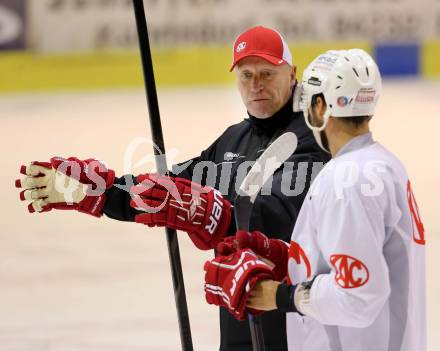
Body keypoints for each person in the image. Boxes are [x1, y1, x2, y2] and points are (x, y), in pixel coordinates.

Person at [15, 26, 329, 350]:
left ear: (292, 74)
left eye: (266, 73)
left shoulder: (315, 137)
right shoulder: (234, 139)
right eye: (246, 74)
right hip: (239, 319)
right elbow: (168, 191)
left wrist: (208, 214)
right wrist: (101, 192)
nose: (255, 84)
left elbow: (277, 217)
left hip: (295, 322)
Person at [205, 49, 426, 351]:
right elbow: (351, 261)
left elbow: (360, 296)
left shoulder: (347, 181)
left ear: (320, 106)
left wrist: (278, 296)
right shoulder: (382, 164)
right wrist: (277, 255)